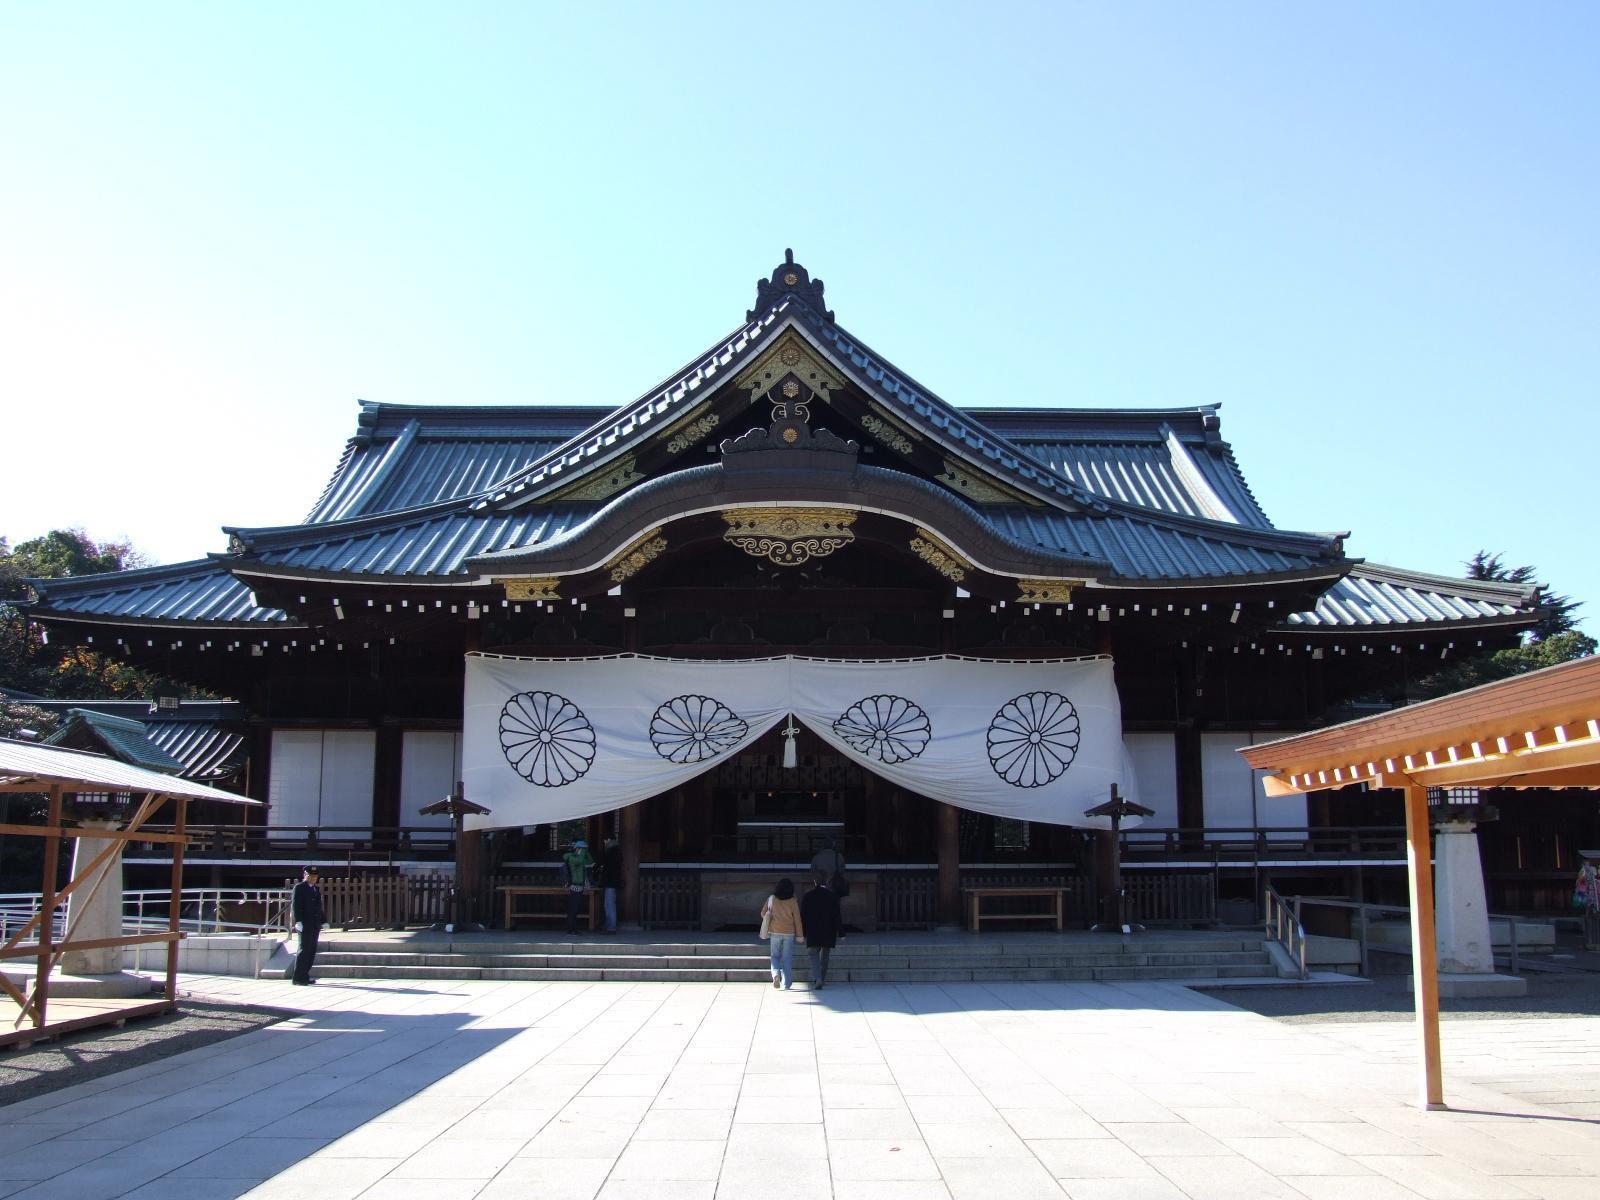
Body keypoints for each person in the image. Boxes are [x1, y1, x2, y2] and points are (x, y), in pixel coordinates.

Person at [799, 876, 842, 991]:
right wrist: (841, 932)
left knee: (813, 955)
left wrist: (802, 933)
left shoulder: (808, 896)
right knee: (825, 955)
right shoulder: (833, 896)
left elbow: (802, 916)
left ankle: (817, 978)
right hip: (828, 931)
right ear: (827, 882)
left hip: (813, 931)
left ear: (814, 882)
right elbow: (837, 916)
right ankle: (822, 978)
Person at [761, 878, 804, 989]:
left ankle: (775, 974)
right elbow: (797, 919)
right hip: (789, 933)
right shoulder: (793, 901)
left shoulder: (772, 899)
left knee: (775, 956)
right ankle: (787, 983)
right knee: (787, 958)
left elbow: (763, 913)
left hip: (775, 931)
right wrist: (800, 935)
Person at [291, 866, 324, 986]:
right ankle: (298, 977)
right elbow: (296, 905)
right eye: (311, 876)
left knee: (311, 950)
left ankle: (305, 975)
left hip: (314, 924)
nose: (313, 878)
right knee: (304, 950)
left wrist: (323, 920)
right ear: (305, 875)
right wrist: (298, 921)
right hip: (304, 923)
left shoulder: (315, 889)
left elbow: (318, 907)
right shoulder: (300, 888)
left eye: (315, 876)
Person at [562, 838, 595, 935]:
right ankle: (570, 929)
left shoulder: (579, 857)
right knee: (573, 909)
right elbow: (580, 860)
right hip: (574, 887)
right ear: (577, 849)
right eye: (581, 849)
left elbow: (591, 862)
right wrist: (583, 850)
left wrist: (586, 851)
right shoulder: (572, 858)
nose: (582, 851)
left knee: (576, 909)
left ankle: (573, 928)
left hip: (580, 887)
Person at [598, 835, 623, 935]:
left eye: (605, 840)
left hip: (610, 881)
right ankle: (610, 926)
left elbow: (605, 865)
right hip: (614, 881)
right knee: (610, 904)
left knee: (609, 905)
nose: (604, 843)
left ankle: (611, 927)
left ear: (608, 839)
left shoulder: (610, 851)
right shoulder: (617, 851)